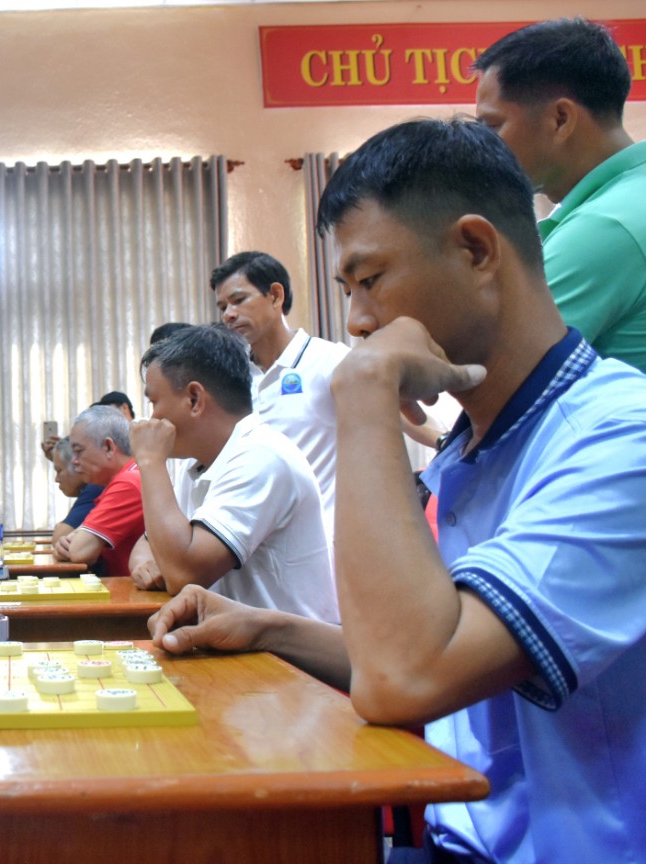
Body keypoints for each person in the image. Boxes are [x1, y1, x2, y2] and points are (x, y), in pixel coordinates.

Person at [149, 117, 646, 863]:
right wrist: (267, 629)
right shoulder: (477, 448)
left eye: (371, 280)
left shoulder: (619, 437)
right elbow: (423, 649)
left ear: (476, 249)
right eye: (347, 289)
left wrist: (365, 391)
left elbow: (404, 677)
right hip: (452, 838)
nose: (358, 322)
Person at [128, 325, 336, 621]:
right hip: (232, 639)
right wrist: (144, 563)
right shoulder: (199, 464)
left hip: (284, 650)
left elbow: (183, 573)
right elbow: (148, 544)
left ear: (194, 399)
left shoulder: (261, 457)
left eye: (154, 402)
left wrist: (150, 461)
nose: (151, 418)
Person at [475, 17, 646, 373]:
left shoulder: (604, 226)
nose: (485, 147)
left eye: (493, 126)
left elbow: (498, 376)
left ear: (561, 119)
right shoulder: (631, 196)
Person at [211, 251, 350, 534]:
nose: (229, 315)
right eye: (222, 307)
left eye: (239, 300)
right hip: (252, 542)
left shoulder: (329, 360)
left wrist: (439, 441)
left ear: (275, 295)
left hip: (322, 541)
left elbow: (395, 415)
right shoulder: (231, 380)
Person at [54, 406, 144, 575]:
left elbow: (79, 551)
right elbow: (70, 542)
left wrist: (72, 544)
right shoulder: (124, 478)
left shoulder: (129, 482)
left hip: (131, 590)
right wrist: (69, 543)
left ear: (108, 447)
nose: (74, 461)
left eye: (78, 451)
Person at [49, 436, 104, 544]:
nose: (56, 479)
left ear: (77, 465)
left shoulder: (95, 488)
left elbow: (59, 538)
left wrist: (60, 527)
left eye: (59, 470)